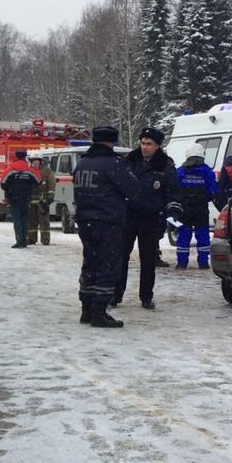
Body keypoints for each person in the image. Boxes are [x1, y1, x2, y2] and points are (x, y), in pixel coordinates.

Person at [73, 126, 147, 327]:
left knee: (90, 262)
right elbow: (133, 189)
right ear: (112, 141)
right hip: (108, 221)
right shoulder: (114, 164)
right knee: (108, 264)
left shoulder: (82, 164)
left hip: (85, 220)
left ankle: (86, 309)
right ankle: (100, 312)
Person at [117, 127, 180, 308]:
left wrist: (173, 215)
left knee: (148, 259)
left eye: (149, 144)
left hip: (151, 218)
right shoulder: (129, 160)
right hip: (128, 216)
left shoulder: (165, 165)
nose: (144, 147)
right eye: (143, 143)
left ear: (157, 146)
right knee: (121, 256)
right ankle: (116, 293)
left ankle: (146, 297)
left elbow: (173, 192)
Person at [174, 144, 218, 269]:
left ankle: (182, 264)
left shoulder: (180, 171)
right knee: (203, 235)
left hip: (184, 209)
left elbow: (174, 189)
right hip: (201, 209)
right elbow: (213, 190)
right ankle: (203, 263)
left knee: (183, 235)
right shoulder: (207, 171)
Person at [0, 150, 40, 249]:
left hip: (14, 198)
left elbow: (3, 184)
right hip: (26, 198)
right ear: (25, 157)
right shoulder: (29, 170)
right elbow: (38, 181)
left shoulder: (10, 169)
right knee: (25, 220)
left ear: (16, 157)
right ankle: (24, 240)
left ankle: (19, 240)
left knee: (17, 220)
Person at [29, 153, 55, 245]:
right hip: (31, 201)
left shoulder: (47, 171)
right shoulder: (29, 171)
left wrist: (50, 195)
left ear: (40, 161)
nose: (35, 162)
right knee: (31, 221)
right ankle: (31, 239)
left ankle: (45, 239)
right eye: (33, 160)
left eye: (37, 160)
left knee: (44, 221)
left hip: (43, 201)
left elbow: (51, 183)